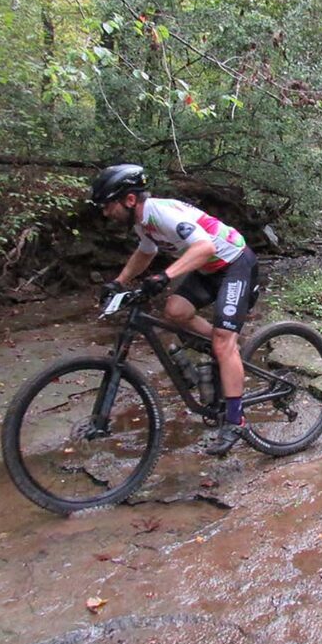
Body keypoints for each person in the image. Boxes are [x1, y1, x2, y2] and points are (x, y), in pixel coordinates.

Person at [90, 164, 258, 456]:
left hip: (235, 263)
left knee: (221, 339)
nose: (106, 213)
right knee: (175, 310)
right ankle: (228, 349)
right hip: (208, 269)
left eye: (108, 205)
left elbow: (204, 246)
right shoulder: (142, 222)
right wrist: (118, 282)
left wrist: (166, 276)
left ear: (129, 200)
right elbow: (146, 252)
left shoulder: (161, 213)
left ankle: (236, 420)